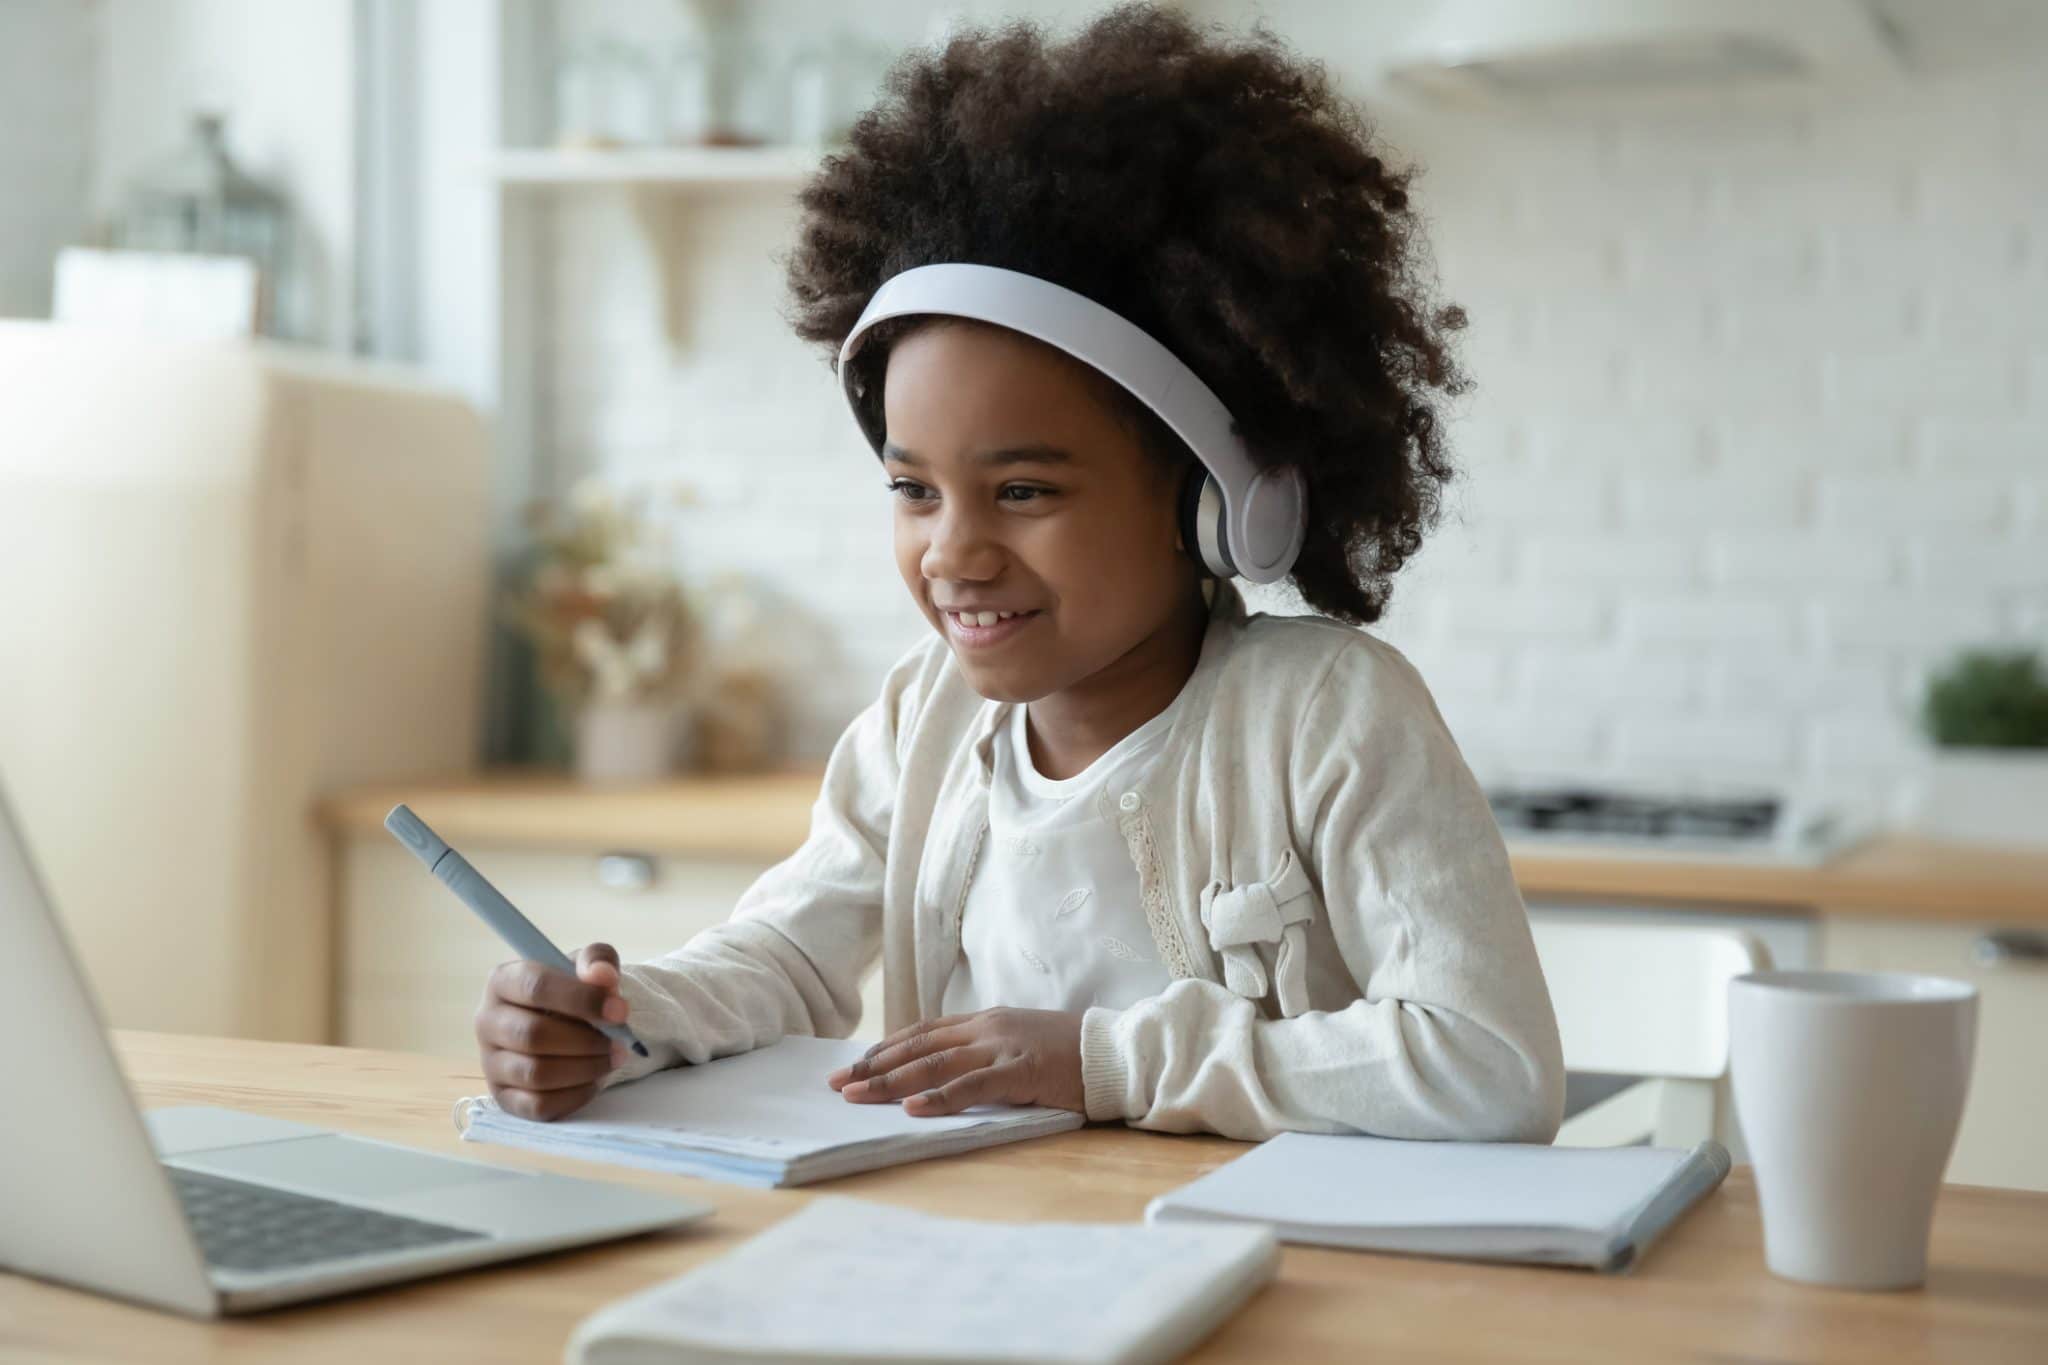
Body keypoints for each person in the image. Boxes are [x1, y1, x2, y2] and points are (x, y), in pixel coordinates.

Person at [472, 3, 1564, 1143]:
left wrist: (1095, 1061)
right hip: (986, 1268)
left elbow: (1487, 1068)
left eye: (1024, 491)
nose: (951, 552)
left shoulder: (1327, 715)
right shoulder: (919, 720)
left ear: (1214, 503)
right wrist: (625, 1014)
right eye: (913, 490)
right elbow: (791, 955)